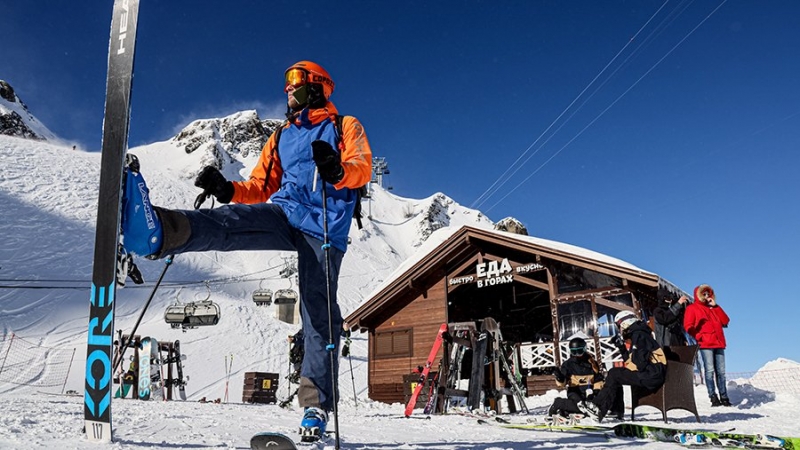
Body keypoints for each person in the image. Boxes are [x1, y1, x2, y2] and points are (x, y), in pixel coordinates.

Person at [122, 60, 372, 440]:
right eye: (286, 85)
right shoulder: (282, 136)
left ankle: (315, 407)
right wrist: (227, 190)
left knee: (317, 313)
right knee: (230, 222)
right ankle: (162, 232)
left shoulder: (344, 126)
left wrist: (337, 171)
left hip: (323, 227)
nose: (288, 91)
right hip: (286, 212)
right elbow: (260, 185)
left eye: (296, 83)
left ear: (317, 86)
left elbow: (361, 167)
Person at [579, 310, 667, 422]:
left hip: (652, 375)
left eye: (619, 326)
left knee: (615, 374)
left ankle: (598, 407)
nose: (620, 330)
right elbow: (632, 364)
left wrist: (632, 357)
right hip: (651, 372)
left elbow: (639, 364)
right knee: (616, 374)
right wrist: (621, 348)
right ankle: (616, 410)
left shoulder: (639, 335)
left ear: (626, 323)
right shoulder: (639, 334)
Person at [548, 337, 621, 422]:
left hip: (590, 391)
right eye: (574, 352)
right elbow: (562, 384)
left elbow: (598, 379)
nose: (577, 355)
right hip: (575, 392)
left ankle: (568, 410)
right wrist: (559, 377)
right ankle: (558, 403)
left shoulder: (592, 363)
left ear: (585, 349)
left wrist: (596, 391)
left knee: (593, 406)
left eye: (579, 351)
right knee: (582, 406)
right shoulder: (568, 364)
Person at [684, 283, 731, 407]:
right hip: (706, 344)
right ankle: (713, 396)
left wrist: (716, 306)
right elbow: (688, 326)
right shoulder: (692, 308)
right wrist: (699, 336)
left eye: (708, 294)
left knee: (721, 372)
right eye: (703, 294)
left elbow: (726, 321)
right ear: (698, 295)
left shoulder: (713, 308)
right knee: (709, 371)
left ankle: (724, 396)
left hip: (719, 343)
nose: (706, 296)